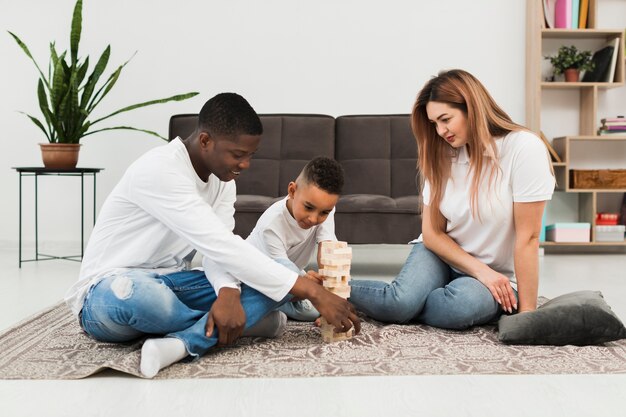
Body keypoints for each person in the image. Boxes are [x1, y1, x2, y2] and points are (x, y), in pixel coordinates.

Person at [64, 93, 360, 378]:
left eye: (250, 155)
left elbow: (219, 251)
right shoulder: (160, 170)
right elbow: (218, 243)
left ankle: (182, 344)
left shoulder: (223, 182)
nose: (245, 165)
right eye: (238, 155)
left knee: (279, 271)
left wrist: (228, 291)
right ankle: (246, 322)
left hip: (175, 283)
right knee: (148, 298)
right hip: (108, 293)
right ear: (205, 140)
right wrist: (313, 292)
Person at [349, 69, 555, 329]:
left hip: (497, 275)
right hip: (441, 254)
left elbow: (529, 238)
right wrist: (480, 271)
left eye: (445, 119)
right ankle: (319, 288)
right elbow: (432, 233)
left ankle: (408, 303)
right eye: (434, 123)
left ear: (472, 107)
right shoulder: (442, 155)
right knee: (399, 303)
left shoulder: (523, 149)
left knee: (459, 307)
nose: (440, 131)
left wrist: (527, 315)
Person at [246, 156, 344, 322]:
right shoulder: (271, 224)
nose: (314, 219)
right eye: (308, 207)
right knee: (310, 306)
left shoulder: (326, 208)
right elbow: (282, 272)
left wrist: (334, 293)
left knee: (313, 309)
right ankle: (260, 304)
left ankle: (271, 305)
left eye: (324, 212)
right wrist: (319, 297)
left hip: (291, 274)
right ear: (292, 191)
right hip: (258, 278)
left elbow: (328, 249)